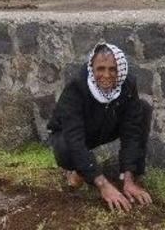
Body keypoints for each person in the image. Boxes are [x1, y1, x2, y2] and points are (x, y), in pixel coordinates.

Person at [47, 41, 153, 212]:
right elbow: (74, 138)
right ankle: (79, 171)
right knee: (66, 148)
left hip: (105, 125)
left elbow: (131, 130)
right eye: (100, 69)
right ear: (92, 69)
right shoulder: (77, 87)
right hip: (74, 133)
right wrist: (103, 184)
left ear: (120, 70)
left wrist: (128, 177)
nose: (107, 75)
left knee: (143, 109)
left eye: (112, 69)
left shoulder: (127, 85)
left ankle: (131, 179)